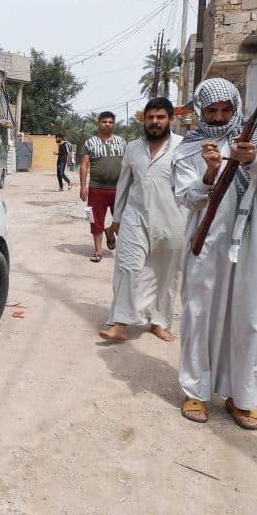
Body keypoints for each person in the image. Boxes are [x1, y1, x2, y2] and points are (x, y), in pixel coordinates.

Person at [172, 78, 257, 429]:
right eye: (211, 110)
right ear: (200, 111)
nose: (220, 117)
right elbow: (186, 197)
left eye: (226, 110)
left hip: (250, 240)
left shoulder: (256, 138)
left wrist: (253, 160)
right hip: (206, 241)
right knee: (200, 312)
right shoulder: (189, 147)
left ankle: (242, 396)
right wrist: (209, 173)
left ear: (236, 107)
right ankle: (196, 391)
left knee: (248, 318)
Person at [99, 98, 187, 342]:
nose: (155, 122)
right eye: (150, 117)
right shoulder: (133, 148)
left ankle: (159, 322)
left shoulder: (183, 147)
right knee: (127, 269)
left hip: (173, 221)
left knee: (165, 274)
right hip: (135, 218)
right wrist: (117, 219)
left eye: (160, 117)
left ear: (171, 119)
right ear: (144, 120)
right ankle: (120, 323)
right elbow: (123, 184)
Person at [79, 111, 126, 262]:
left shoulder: (122, 142)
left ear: (114, 124)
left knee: (122, 220)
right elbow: (84, 165)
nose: (107, 124)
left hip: (119, 188)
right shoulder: (90, 143)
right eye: (104, 121)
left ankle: (111, 231)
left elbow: (129, 165)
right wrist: (83, 187)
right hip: (96, 188)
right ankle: (98, 251)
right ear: (98, 124)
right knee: (95, 220)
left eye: (110, 122)